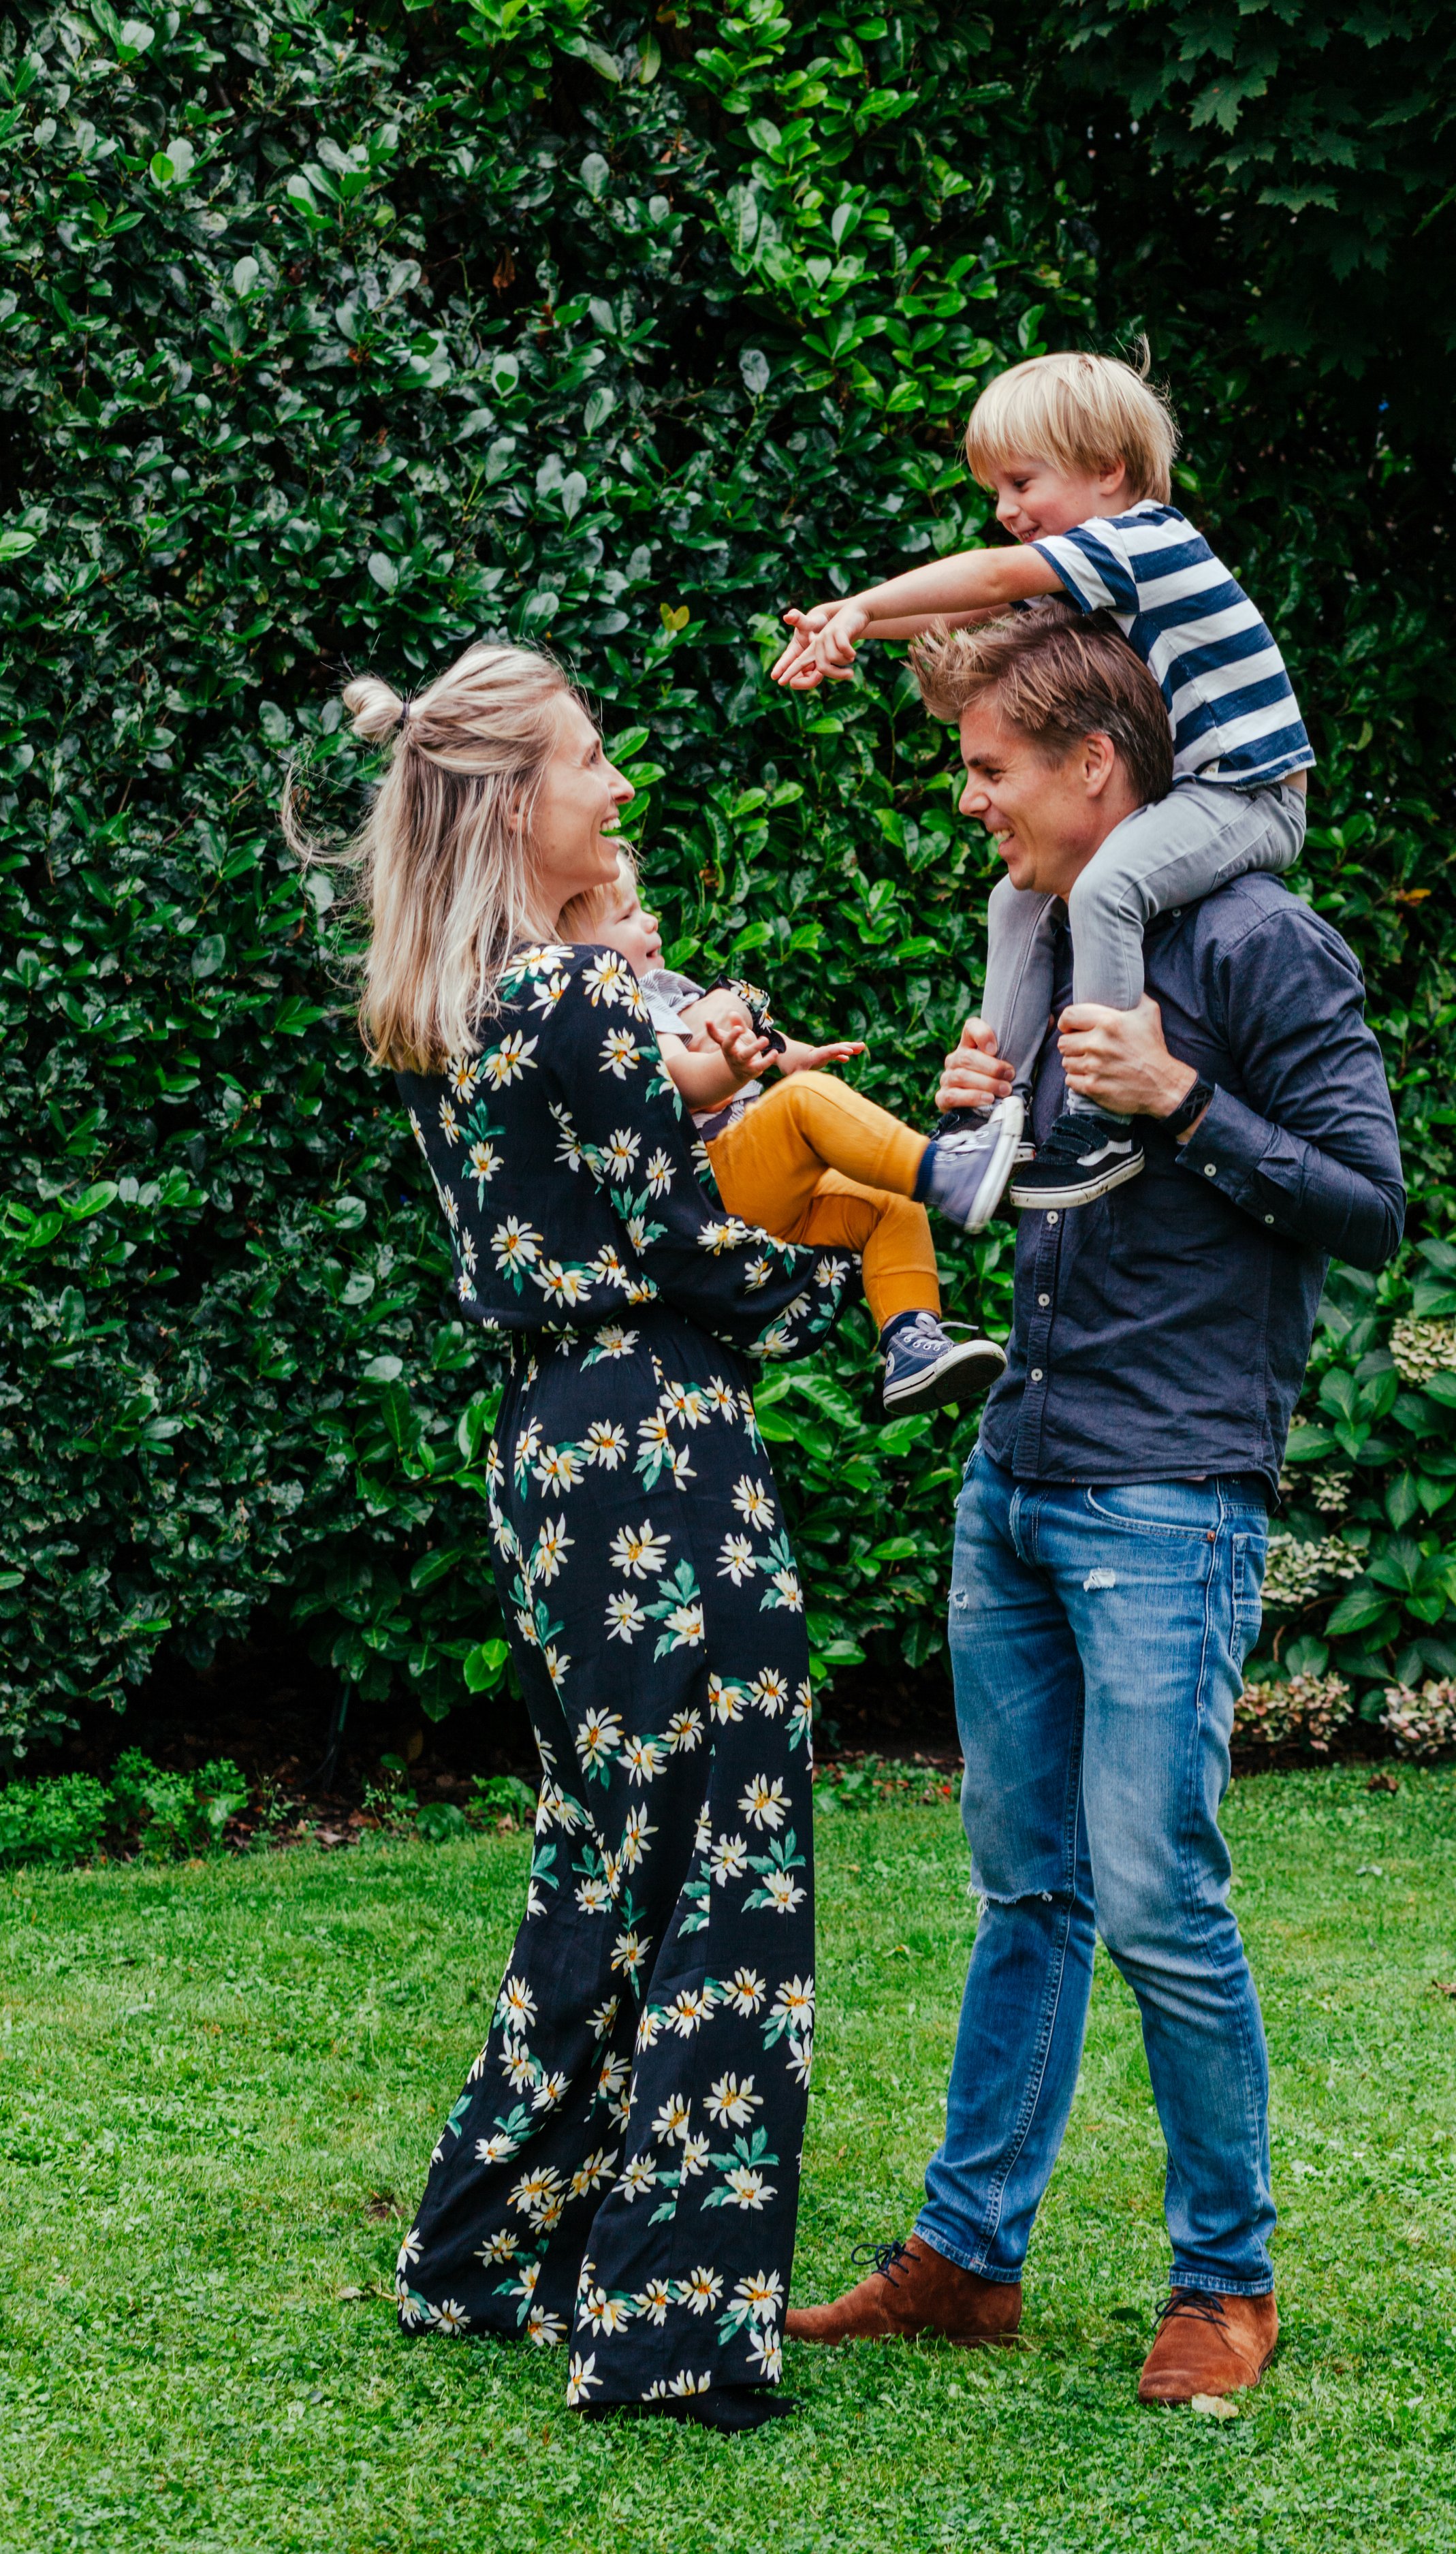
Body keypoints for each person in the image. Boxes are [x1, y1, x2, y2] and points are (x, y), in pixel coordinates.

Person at [783, 609, 1405, 2406]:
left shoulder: (1260, 941)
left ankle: (1225, 2281)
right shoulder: (1047, 938)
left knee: (1152, 1887)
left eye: (990, 770)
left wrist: (1185, 1097)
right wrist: (974, 1116)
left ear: (1095, 769)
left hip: (1166, 1489)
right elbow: (1011, 1192)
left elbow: (1368, 1207)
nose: (972, 804)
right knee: (1024, 1886)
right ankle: (969, 2257)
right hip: (1021, 1473)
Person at [287, 642, 855, 2433]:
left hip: (552, 1449)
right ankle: (670, 2326)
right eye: (589, 760)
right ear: (511, 800)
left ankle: (480, 2250)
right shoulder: (586, 1006)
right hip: (658, 1452)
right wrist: (863, 1245)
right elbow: (701, 1252)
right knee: (723, 1868)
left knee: (605, 1863)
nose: (614, 787)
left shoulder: (471, 1002)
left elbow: (608, 1197)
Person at [770, 349, 1313, 1215]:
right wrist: (846, 629)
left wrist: (862, 602)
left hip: (1250, 797)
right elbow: (967, 608)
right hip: (1196, 794)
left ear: (1110, 471)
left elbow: (987, 577)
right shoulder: (1104, 569)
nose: (1004, 510)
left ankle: (1097, 1120)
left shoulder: (1151, 542)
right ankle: (997, 1115)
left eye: (1021, 483)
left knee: (1106, 888)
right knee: (1013, 903)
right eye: (995, 490)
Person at [581, 851, 1018, 1416]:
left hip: (766, 1200)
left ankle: (912, 1340)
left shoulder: (663, 989)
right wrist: (734, 1070)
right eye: (627, 917)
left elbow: (753, 1042)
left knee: (889, 1197)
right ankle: (950, 1173)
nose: (651, 922)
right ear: (582, 949)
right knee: (803, 1105)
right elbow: (688, 1079)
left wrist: (791, 1053)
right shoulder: (622, 1004)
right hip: (710, 1190)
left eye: (643, 908)